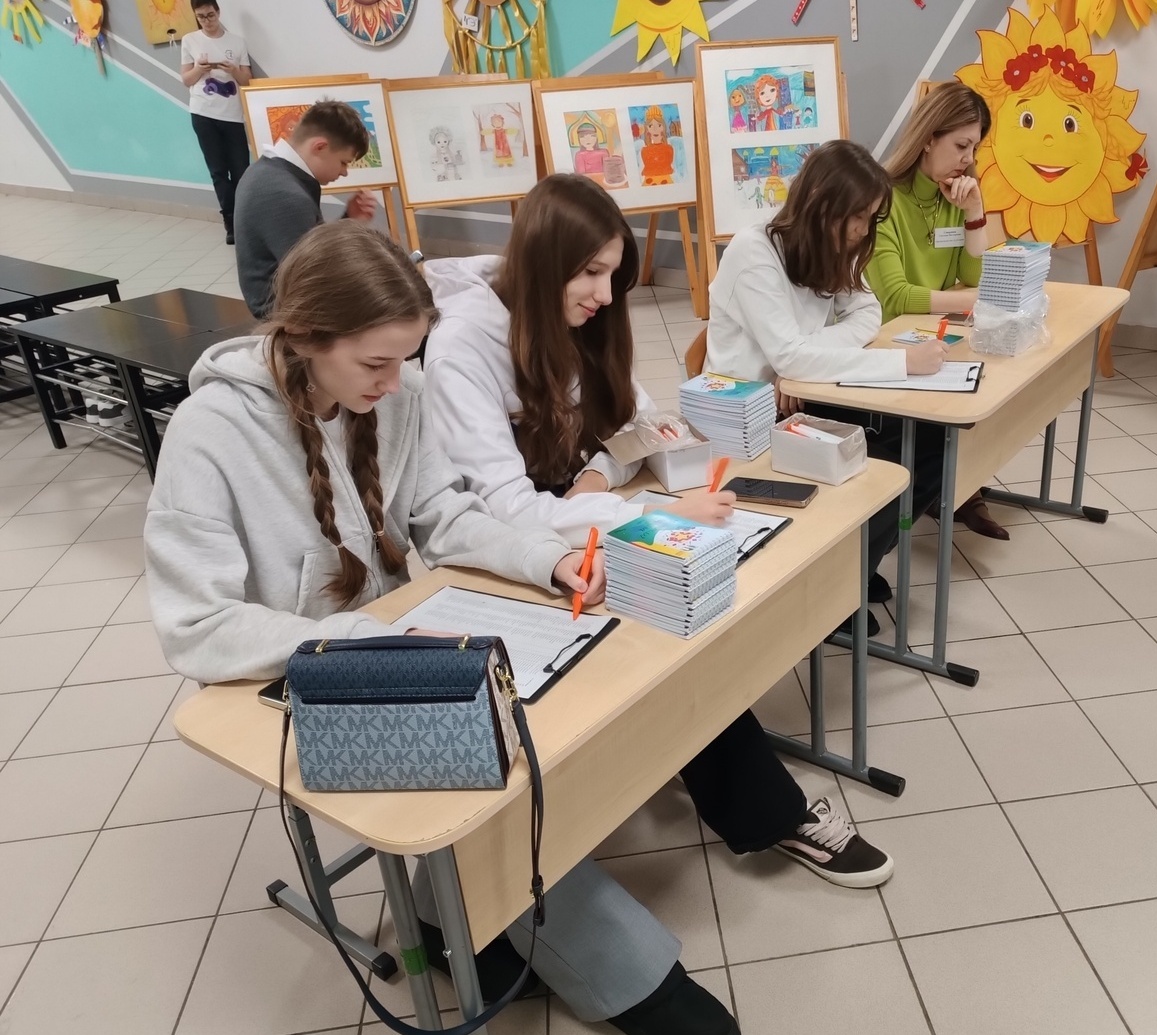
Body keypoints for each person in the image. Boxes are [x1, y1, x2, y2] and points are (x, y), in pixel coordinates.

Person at [144, 221, 737, 1035]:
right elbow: (195, 626)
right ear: (307, 337)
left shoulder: (401, 394)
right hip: (302, 676)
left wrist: (547, 560)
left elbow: (444, 518)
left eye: (403, 359)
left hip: (402, 641)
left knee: (566, 714)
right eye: (375, 364)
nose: (394, 383)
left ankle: (464, 926)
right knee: (502, 795)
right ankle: (644, 985)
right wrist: (366, 642)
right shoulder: (210, 433)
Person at [421, 173, 895, 891]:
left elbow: (640, 422)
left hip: (575, 527)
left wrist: (600, 474)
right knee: (672, 622)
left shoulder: (573, 316)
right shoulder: (464, 347)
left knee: (693, 604)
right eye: (590, 273)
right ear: (546, 262)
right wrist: (654, 516)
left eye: (613, 276)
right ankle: (774, 814)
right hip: (510, 558)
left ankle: (715, 769)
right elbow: (507, 511)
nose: (604, 296)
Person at [705, 139, 949, 630]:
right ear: (820, 203)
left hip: (803, 395)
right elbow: (790, 355)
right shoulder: (755, 251)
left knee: (930, 440)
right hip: (749, 420)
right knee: (883, 461)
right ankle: (837, 590)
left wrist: (802, 361)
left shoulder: (833, 244)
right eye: (855, 216)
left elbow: (867, 313)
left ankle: (857, 565)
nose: (861, 230)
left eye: (869, 218)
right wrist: (899, 363)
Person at [868, 81, 1010, 541]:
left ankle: (960, 487)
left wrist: (974, 210)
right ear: (928, 138)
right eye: (961, 145)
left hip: (933, 334)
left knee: (995, 383)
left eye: (974, 148)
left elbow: (974, 274)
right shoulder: (883, 198)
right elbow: (895, 297)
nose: (968, 158)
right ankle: (946, 492)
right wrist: (972, 302)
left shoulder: (955, 194)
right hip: (886, 342)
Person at [233, 100, 380, 319]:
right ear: (320, 147)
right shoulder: (286, 196)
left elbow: (314, 249)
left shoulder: (266, 170)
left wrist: (349, 220)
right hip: (291, 316)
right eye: (343, 162)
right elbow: (320, 276)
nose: (344, 172)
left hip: (290, 304)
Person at [180, 0, 251, 245]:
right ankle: (230, 223)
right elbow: (186, 79)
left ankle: (245, 220)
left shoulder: (237, 42)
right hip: (203, 113)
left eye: (210, 15)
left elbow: (247, 81)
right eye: (201, 17)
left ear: (218, 12)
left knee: (241, 170)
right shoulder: (190, 40)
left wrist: (233, 70)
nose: (207, 21)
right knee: (218, 172)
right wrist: (199, 69)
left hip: (232, 115)